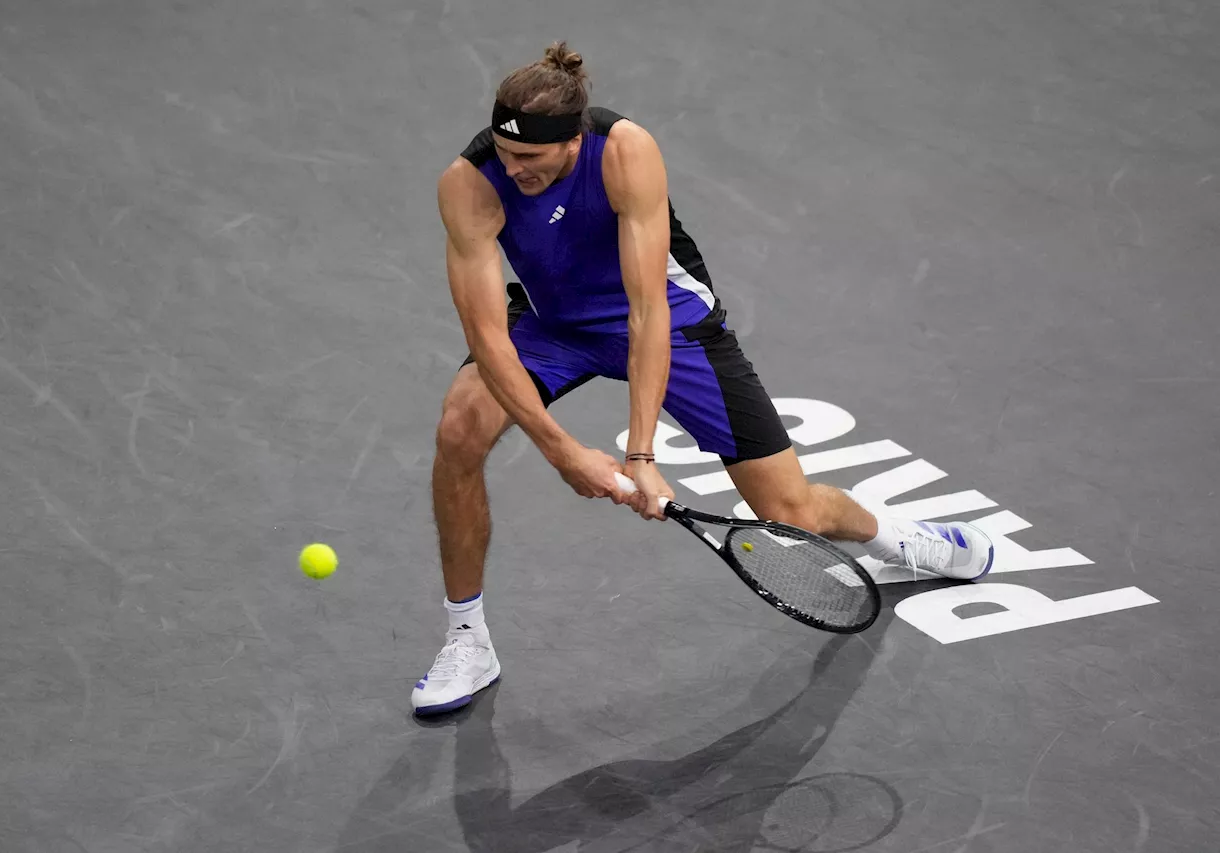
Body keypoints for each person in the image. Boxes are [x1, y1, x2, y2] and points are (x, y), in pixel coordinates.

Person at [412, 41, 993, 716]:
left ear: (572, 141)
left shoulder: (626, 151)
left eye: (531, 160)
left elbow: (647, 309)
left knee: (789, 511)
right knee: (459, 428)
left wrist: (639, 454)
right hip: (551, 327)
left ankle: (898, 538)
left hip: (671, 325)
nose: (514, 171)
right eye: (506, 156)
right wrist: (563, 449)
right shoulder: (470, 183)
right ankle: (466, 638)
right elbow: (486, 336)